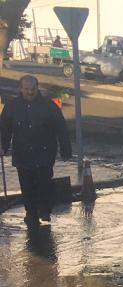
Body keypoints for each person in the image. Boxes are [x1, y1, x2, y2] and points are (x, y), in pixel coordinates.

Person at [1, 75, 72, 228]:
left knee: (44, 183)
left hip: (44, 153)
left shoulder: (48, 106)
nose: (30, 92)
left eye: (32, 89)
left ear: (37, 88)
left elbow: (61, 128)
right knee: (27, 186)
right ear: (21, 89)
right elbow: (4, 130)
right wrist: (2, 146)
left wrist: (66, 149)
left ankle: (44, 210)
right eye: (26, 89)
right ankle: (31, 213)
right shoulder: (12, 107)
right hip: (22, 154)